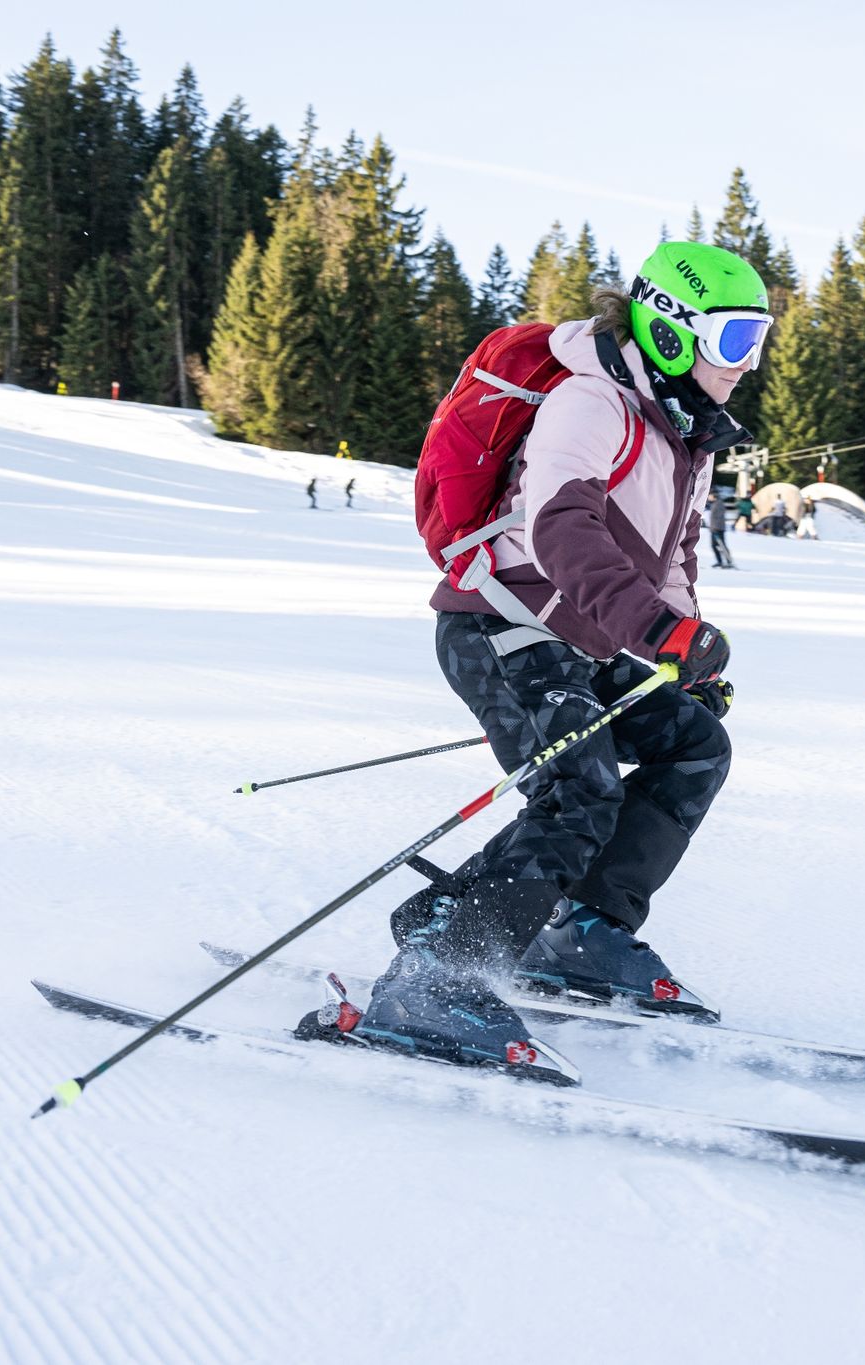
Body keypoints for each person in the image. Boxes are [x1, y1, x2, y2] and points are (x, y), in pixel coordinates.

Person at [356, 240, 770, 1067]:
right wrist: (657, 633)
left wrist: (685, 651)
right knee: (577, 789)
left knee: (694, 745)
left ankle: (583, 929)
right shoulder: (592, 403)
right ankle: (435, 971)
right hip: (502, 624)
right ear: (671, 332)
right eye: (733, 340)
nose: (748, 363)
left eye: (758, 340)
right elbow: (560, 529)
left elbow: (675, 557)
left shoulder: (687, 433)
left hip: (583, 637)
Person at [707, 490, 735, 568]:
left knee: (722, 545)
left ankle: (729, 561)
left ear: (714, 496)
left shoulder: (719, 504)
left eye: (710, 495)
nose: (708, 497)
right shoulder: (715, 504)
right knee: (714, 545)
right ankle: (720, 561)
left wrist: (715, 528)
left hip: (717, 529)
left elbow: (719, 517)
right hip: (714, 528)